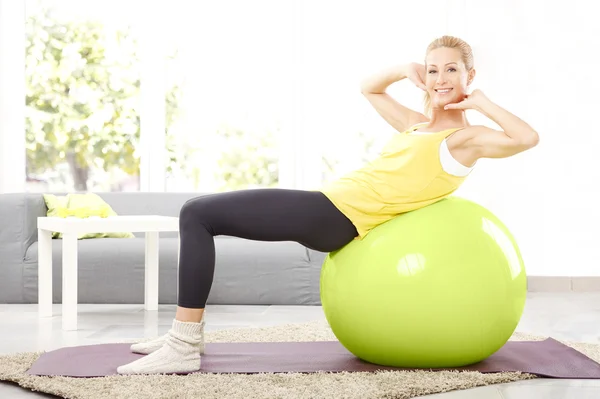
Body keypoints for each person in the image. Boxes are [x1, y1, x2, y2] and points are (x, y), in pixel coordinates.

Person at [116, 35, 539, 375]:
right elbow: (368, 87)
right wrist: (403, 70)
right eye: (433, 70)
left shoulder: (464, 141)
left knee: (197, 214)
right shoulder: (416, 125)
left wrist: (480, 102)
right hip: (331, 203)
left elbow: (525, 138)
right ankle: (182, 337)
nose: (440, 78)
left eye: (451, 69)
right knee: (198, 210)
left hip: (337, 215)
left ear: (470, 74)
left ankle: (183, 345)